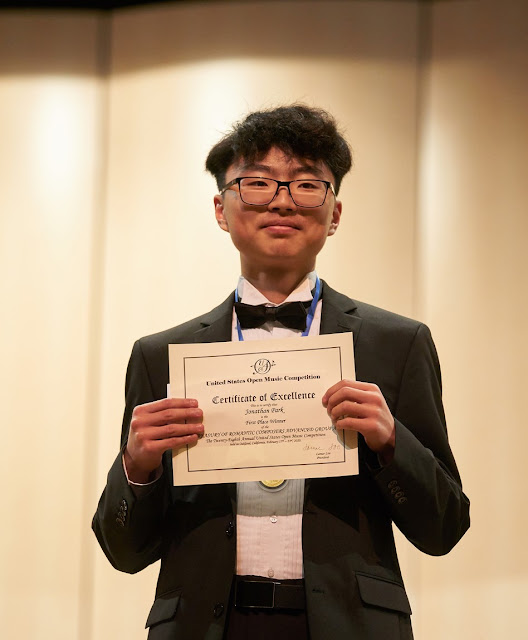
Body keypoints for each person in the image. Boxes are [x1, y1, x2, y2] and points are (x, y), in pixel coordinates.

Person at [93, 104, 470, 640]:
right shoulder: (163, 355)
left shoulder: (398, 345)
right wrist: (137, 468)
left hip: (350, 626)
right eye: (258, 183)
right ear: (221, 209)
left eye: (307, 185)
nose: (282, 201)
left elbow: (444, 529)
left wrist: (392, 444)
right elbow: (124, 551)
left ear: (335, 214)